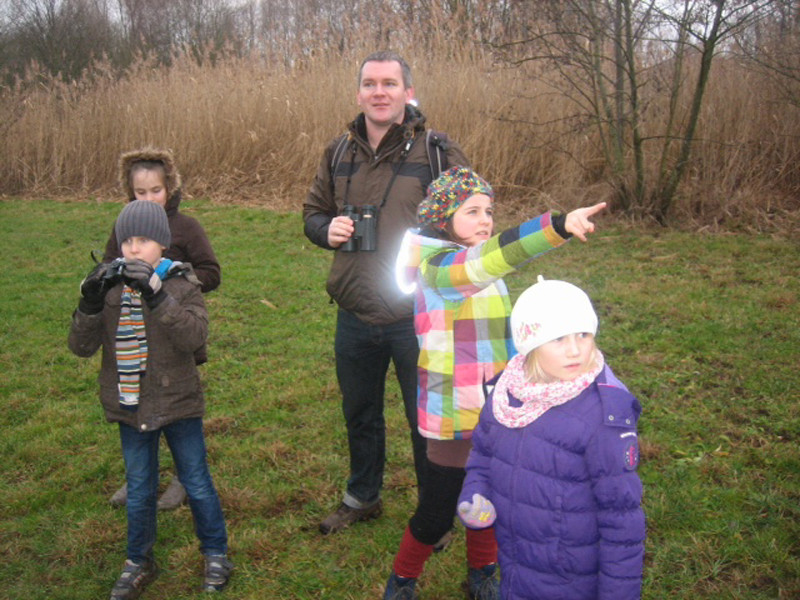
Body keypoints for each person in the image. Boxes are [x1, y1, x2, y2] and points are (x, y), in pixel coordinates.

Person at [386, 166, 606, 599]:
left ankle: (483, 571)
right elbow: (496, 257)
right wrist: (557, 226)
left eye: (489, 210)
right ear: (443, 219)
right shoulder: (441, 268)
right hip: (452, 411)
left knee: (489, 498)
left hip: (496, 405)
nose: (486, 219)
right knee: (437, 512)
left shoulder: (476, 263)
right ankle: (403, 579)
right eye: (472, 211)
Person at [302, 51, 469, 535]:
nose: (380, 92)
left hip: (419, 315)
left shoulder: (437, 151)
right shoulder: (337, 151)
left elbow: (473, 217)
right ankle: (363, 497)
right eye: (370, 84)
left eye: (390, 83)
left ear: (407, 92)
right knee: (360, 414)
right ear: (359, 93)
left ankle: (433, 513)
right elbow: (313, 211)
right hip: (354, 310)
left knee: (429, 422)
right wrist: (323, 229)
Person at [69, 201, 232, 599]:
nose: (133, 249)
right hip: (131, 405)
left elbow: (194, 337)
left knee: (196, 480)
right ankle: (138, 562)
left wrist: (158, 297)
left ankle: (216, 552)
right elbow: (81, 347)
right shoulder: (110, 287)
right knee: (140, 487)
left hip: (178, 402)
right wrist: (88, 305)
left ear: (162, 243)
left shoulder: (181, 282)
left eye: (143, 240)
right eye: (126, 240)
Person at [458, 277, 646, 600]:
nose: (575, 350)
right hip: (516, 562)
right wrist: (475, 492)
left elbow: (622, 522)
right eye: (558, 338)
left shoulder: (603, 416)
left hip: (572, 578)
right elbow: (483, 454)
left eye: (584, 335)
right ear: (529, 345)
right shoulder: (506, 394)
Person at [104, 147, 222, 511]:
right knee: (139, 408)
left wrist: (172, 279)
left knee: (176, 411)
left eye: (156, 190)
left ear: (169, 187)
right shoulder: (125, 229)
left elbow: (212, 273)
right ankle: (141, 476)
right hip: (132, 341)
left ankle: (183, 478)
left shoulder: (186, 228)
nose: (149, 198)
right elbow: (109, 265)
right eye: (140, 192)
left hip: (175, 335)